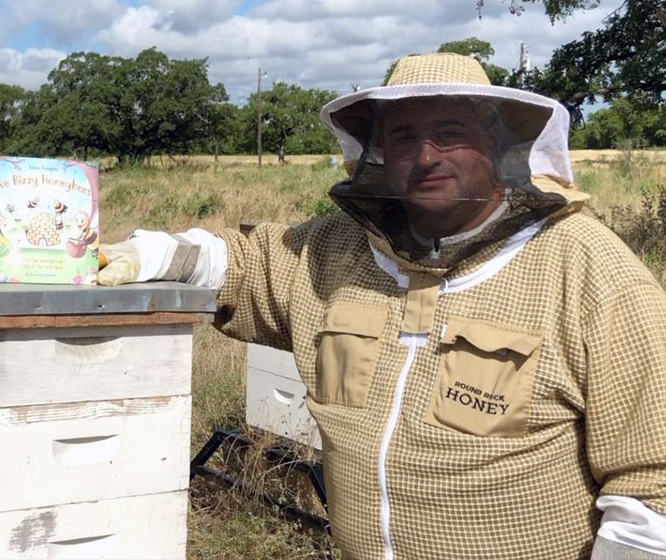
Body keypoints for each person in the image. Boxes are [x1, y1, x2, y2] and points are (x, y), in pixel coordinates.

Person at [98, 53, 666, 560]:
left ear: (497, 144)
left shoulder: (590, 270)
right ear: (377, 153)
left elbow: (652, 486)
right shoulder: (335, 250)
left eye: (450, 132)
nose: (425, 156)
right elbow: (242, 265)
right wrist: (149, 252)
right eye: (402, 137)